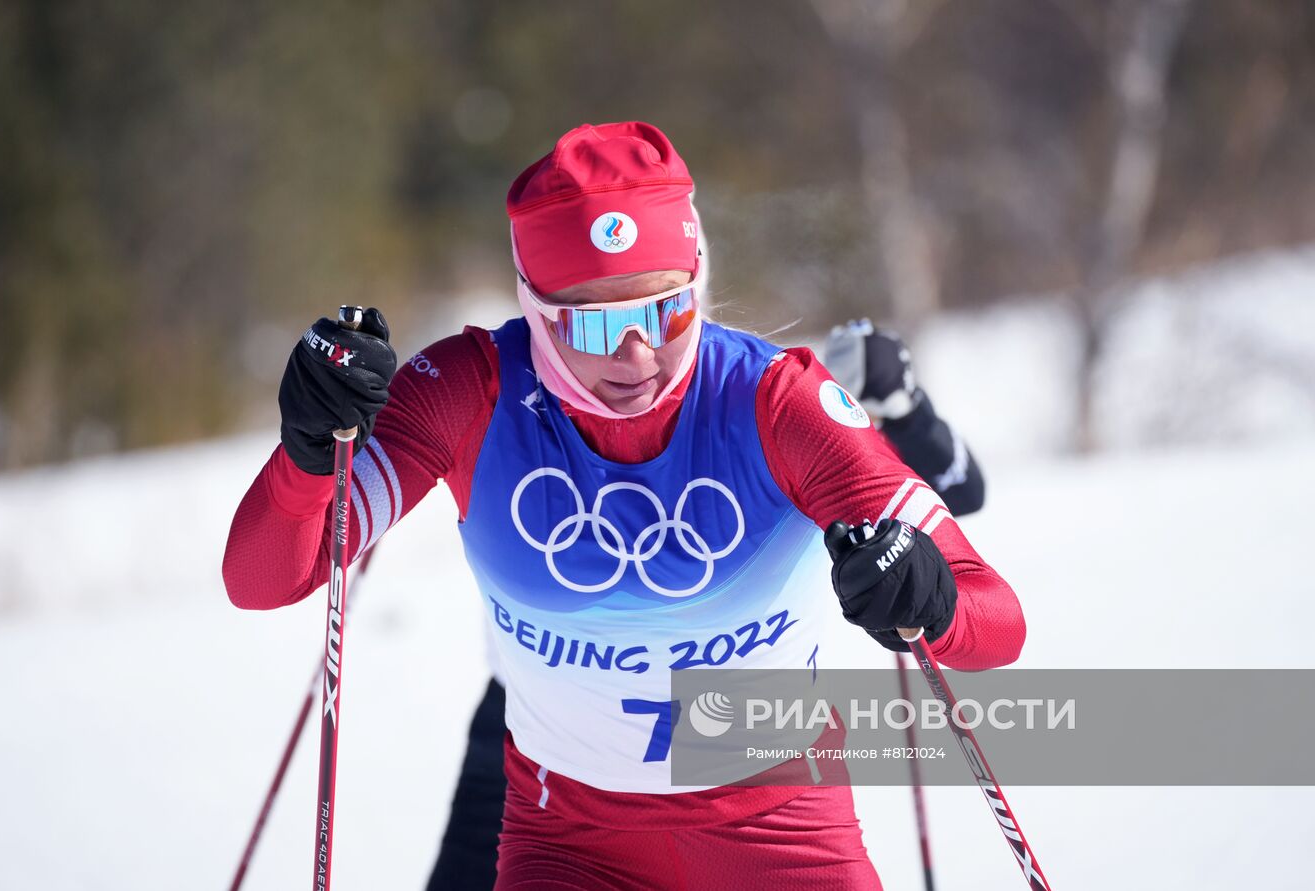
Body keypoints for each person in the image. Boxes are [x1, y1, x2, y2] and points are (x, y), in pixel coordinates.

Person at [223, 121, 1026, 890]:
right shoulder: (473, 389)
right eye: (592, 325)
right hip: (568, 843)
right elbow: (262, 577)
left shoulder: (778, 402)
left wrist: (931, 592)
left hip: (781, 832)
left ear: (698, 279)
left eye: (665, 310)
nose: (636, 353)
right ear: (533, 306)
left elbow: (998, 622)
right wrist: (305, 455)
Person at [429, 318, 989, 890]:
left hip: (710, 711)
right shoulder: (530, 362)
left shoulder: (762, 391)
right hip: (543, 726)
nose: (633, 351)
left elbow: (958, 491)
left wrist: (902, 405)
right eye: (600, 316)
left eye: (660, 312)